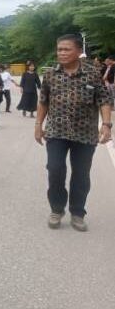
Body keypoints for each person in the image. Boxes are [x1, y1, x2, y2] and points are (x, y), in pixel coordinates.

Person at [36, 35, 113, 232]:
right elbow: (43, 101)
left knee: (81, 174)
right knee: (55, 170)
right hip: (56, 132)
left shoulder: (94, 73)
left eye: (66, 49)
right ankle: (56, 209)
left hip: (85, 134)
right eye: (59, 49)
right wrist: (38, 125)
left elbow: (104, 100)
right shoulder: (51, 74)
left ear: (79, 51)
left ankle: (78, 213)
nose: (61, 53)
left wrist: (106, 124)